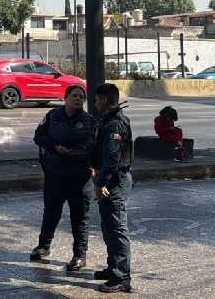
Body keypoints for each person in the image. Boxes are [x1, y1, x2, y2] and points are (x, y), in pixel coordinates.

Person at [31, 84, 96, 272]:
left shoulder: (89, 121)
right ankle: (43, 246)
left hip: (78, 177)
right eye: (74, 96)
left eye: (81, 97)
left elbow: (92, 147)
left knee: (80, 217)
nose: (78, 99)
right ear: (65, 98)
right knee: (50, 212)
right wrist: (55, 148)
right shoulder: (53, 116)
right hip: (54, 174)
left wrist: (71, 153)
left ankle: (79, 255)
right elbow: (39, 137)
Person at [90, 83, 134, 294]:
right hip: (111, 180)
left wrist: (101, 183)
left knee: (117, 230)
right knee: (109, 228)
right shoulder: (108, 120)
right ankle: (113, 268)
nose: (95, 103)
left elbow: (113, 158)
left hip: (114, 182)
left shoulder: (115, 124)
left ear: (106, 100)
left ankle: (121, 278)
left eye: (98, 99)